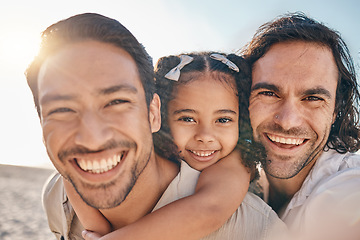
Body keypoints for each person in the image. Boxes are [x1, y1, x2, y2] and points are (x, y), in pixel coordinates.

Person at [25, 13, 285, 240]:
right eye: (62, 110)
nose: (205, 136)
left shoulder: (252, 220)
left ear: (153, 114)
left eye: (116, 101)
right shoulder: (57, 194)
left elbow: (210, 209)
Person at [67, 52, 255, 240]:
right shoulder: (144, 149)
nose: (205, 136)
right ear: (161, 116)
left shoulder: (236, 160)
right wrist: (97, 227)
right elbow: (70, 175)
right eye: (187, 118)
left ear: (241, 121)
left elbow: (210, 210)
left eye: (223, 119)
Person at [241, 12, 360, 239]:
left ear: (335, 111)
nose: (287, 121)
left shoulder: (350, 188)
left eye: (313, 98)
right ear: (244, 98)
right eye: (268, 93)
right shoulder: (241, 179)